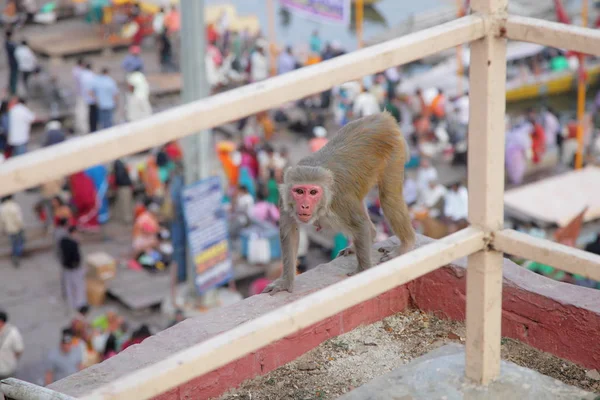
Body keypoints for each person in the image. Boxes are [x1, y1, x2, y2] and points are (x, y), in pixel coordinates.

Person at [58, 226, 87, 311]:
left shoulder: (62, 241)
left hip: (66, 267)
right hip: (74, 268)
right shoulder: (73, 244)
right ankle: (80, 303)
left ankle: (71, 303)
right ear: (73, 233)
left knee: (69, 286)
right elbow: (76, 257)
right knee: (78, 286)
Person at [0, 195, 24, 267]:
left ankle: (15, 255)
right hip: (17, 228)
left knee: (13, 243)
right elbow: (18, 218)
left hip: (9, 229)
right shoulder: (14, 206)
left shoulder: (2, 208)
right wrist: (21, 226)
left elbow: (1, 220)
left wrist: (2, 229)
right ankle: (17, 255)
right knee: (20, 242)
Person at [0, 310, 24, 380]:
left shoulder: (13, 333)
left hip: (7, 370)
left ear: (1, 322)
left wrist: (11, 360)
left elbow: (19, 350)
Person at [113, 159, 133, 224]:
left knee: (124, 202)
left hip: (123, 186)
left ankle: (124, 217)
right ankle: (127, 219)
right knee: (125, 203)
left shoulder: (118, 163)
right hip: (124, 186)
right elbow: (120, 177)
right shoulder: (119, 164)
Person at [80, 63, 98, 133]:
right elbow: (93, 87)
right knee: (93, 115)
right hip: (91, 98)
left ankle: (89, 128)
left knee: (87, 114)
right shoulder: (91, 75)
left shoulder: (82, 75)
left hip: (85, 97)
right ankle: (93, 128)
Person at [5, 31, 18, 95]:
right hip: (13, 62)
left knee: (12, 75)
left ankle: (11, 88)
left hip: (12, 61)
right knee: (14, 76)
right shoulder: (9, 43)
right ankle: (13, 90)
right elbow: (15, 50)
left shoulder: (8, 42)